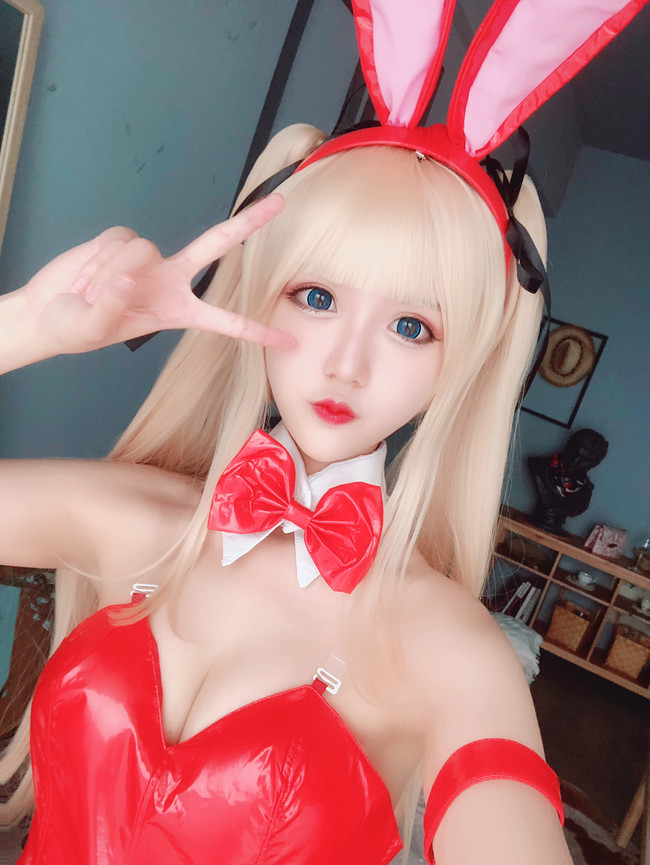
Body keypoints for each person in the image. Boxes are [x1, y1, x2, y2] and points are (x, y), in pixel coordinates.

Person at [0, 124, 570, 863]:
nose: (345, 364)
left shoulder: (449, 647)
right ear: (263, 293)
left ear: (462, 361)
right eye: (316, 296)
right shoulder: (131, 520)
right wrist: (28, 324)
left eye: (411, 326)